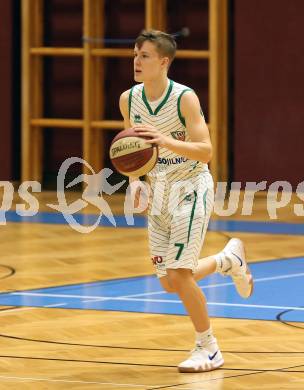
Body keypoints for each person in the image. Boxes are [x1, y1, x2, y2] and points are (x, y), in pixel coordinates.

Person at [119, 30, 253, 373]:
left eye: (144, 55)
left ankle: (208, 348)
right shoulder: (128, 100)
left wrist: (166, 140)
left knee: (179, 274)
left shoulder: (184, 98)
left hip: (192, 187)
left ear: (163, 62)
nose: (136, 60)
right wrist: (134, 182)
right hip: (159, 191)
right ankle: (227, 260)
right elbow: (132, 150)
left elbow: (206, 151)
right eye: (135, 54)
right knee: (169, 282)